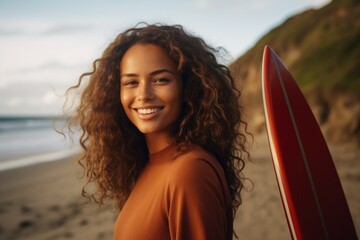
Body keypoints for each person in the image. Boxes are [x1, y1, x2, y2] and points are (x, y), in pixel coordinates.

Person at [64, 23, 249, 239]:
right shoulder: (150, 164)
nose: (143, 94)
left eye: (161, 80)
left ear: (188, 86)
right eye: (131, 82)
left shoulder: (188, 171)